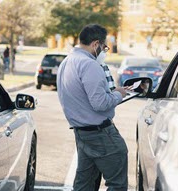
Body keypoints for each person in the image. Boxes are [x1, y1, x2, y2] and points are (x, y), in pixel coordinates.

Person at [57, 24, 129, 191]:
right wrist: (119, 94)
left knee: (84, 183)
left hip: (82, 133)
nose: (105, 51)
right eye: (104, 47)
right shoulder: (89, 65)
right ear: (95, 44)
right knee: (117, 183)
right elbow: (100, 103)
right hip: (100, 133)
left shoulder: (67, 62)